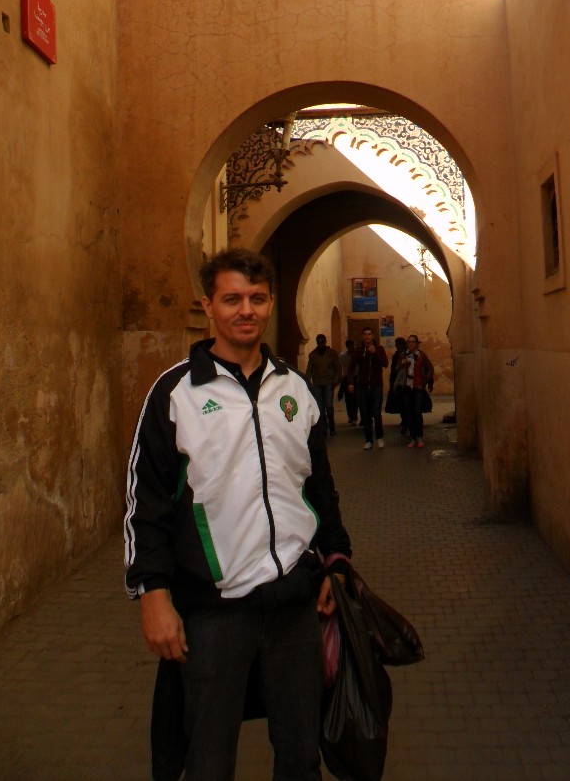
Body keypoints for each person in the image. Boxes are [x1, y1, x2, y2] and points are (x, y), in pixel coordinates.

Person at [124, 247, 352, 781]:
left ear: (271, 302)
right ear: (208, 305)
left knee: (301, 757)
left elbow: (319, 488)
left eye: (257, 298)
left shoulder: (295, 389)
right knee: (207, 761)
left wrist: (337, 560)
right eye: (231, 299)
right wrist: (152, 593)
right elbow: (145, 502)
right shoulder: (175, 393)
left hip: (296, 607)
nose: (246, 310)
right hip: (212, 613)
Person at [346, 327, 388, 450]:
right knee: (365, 414)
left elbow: (385, 363)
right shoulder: (359, 351)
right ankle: (368, 440)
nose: (367, 336)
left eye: (369, 334)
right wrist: (350, 383)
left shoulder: (379, 349)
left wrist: (374, 353)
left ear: (373, 336)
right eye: (365, 334)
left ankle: (379, 437)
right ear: (362, 336)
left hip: (376, 386)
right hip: (362, 387)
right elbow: (350, 367)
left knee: (376, 412)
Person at [397, 334, 434, 449]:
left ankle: (419, 437)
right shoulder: (403, 355)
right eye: (409, 342)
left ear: (417, 344)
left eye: (413, 342)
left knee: (417, 413)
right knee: (409, 414)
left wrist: (425, 381)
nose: (410, 344)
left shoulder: (422, 355)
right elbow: (396, 369)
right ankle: (413, 438)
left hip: (418, 388)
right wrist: (402, 364)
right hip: (407, 388)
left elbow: (430, 369)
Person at [305, 333, 341, 436]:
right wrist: (307, 382)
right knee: (320, 408)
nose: (320, 343)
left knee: (329, 406)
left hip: (329, 383)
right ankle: (323, 428)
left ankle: (332, 427)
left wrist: (335, 381)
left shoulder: (332, 353)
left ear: (325, 342)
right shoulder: (313, 355)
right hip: (317, 384)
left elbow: (338, 368)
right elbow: (309, 370)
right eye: (319, 342)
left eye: (322, 341)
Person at [385, 336, 408, 436]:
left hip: (401, 382)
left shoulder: (402, 354)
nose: (396, 346)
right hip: (401, 382)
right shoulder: (402, 354)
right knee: (403, 402)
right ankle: (406, 420)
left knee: (403, 402)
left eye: (397, 344)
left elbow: (395, 369)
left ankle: (405, 420)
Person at [338, 338, 358, 425]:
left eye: (353, 345)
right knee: (348, 399)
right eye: (351, 345)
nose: (352, 347)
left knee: (356, 399)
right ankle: (351, 416)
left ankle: (354, 417)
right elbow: (340, 368)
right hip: (346, 379)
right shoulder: (342, 356)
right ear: (347, 346)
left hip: (357, 378)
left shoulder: (357, 355)